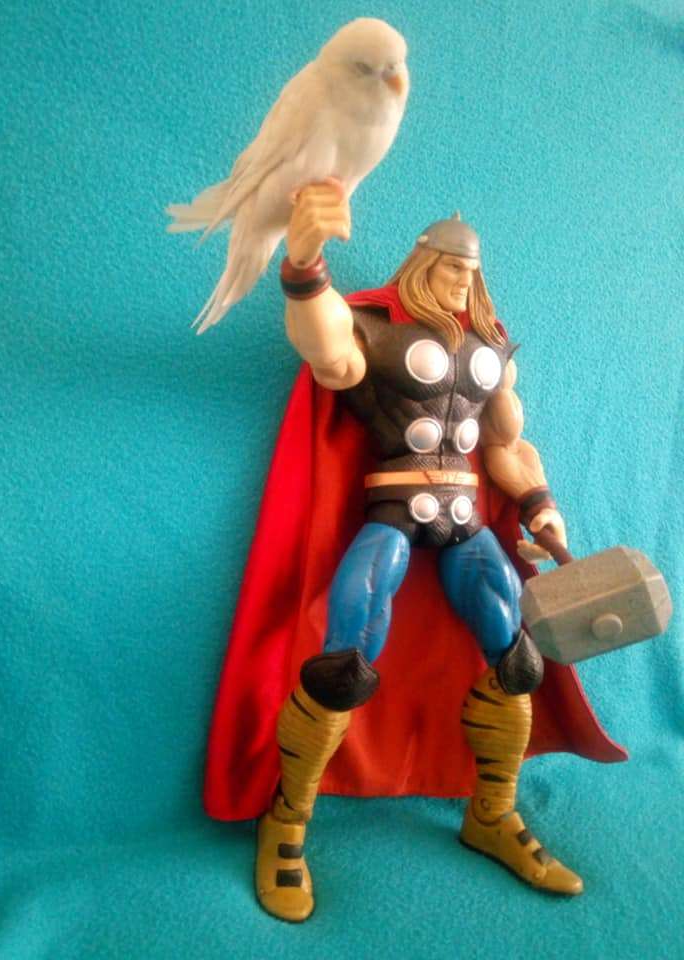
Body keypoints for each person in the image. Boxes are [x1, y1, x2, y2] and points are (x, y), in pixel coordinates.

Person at [202, 181, 626, 922]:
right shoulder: (378, 330)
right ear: (424, 261)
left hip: (466, 521)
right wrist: (304, 264)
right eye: (452, 264)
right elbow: (330, 353)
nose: (463, 278)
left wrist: (542, 509)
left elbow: (506, 445)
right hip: (394, 513)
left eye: (471, 269)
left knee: (518, 658)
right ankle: (287, 820)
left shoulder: (491, 350)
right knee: (344, 655)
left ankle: (490, 813)